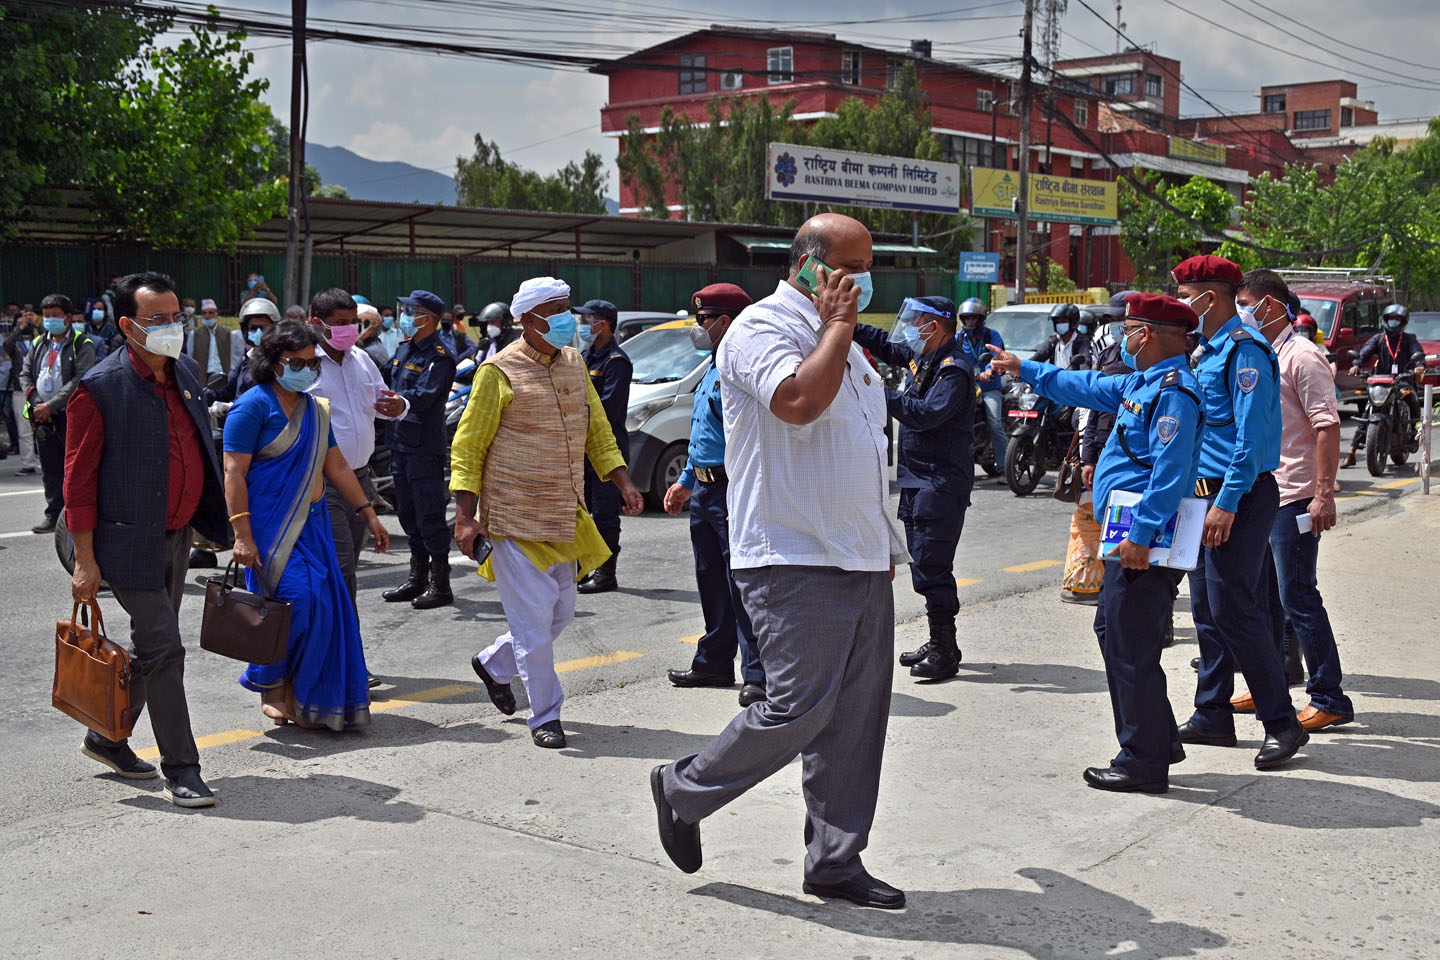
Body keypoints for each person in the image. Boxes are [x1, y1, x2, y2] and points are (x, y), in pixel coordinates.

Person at [651, 214, 910, 910]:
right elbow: (798, 404)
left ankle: (835, 860)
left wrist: (879, 542)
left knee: (856, 721)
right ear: (806, 264)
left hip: (856, 555)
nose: (860, 282)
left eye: (867, 268)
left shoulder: (847, 344)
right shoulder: (761, 329)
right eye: (848, 268)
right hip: (790, 552)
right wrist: (836, 329)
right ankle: (683, 789)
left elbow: (858, 448)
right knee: (795, 709)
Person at [990, 293, 1203, 793]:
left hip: (1141, 540)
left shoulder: (1174, 392)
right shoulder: (1143, 381)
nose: (1122, 338)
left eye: (1128, 330)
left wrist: (1141, 536)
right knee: (1116, 633)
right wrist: (1028, 369)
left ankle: (1142, 761)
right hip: (1126, 536)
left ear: (1145, 335)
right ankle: (1159, 736)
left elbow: (1170, 474)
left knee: (1130, 646)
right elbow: (1086, 385)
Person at [451, 277, 643, 748]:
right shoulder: (498, 371)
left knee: (561, 611)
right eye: (556, 311)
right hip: (514, 515)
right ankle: (546, 716)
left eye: (567, 309)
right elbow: (468, 448)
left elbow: (597, 428)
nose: (566, 320)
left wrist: (622, 480)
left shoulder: (575, 363)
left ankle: (496, 664)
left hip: (565, 510)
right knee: (534, 622)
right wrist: (466, 515)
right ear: (528, 320)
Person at [65, 271, 229, 807]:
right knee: (165, 647)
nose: (171, 326)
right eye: (157, 320)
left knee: (150, 649)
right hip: (122, 543)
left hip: (176, 535)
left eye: (175, 315)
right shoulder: (99, 388)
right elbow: (77, 484)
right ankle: (182, 768)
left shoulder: (184, 371)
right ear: (127, 325)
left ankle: (106, 737)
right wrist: (85, 562)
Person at [1172, 255, 1307, 770]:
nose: (1184, 305)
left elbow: (1249, 441)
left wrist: (1225, 503)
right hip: (1202, 498)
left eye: (1187, 295)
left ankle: (1282, 720)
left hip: (1240, 497)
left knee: (1236, 609)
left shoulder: (1245, 353)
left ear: (1210, 297)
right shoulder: (1206, 351)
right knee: (1207, 610)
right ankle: (1212, 714)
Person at [223, 320, 386, 729]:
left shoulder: (316, 409)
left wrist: (367, 511)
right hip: (268, 530)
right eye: (297, 362)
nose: (307, 371)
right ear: (273, 363)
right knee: (295, 604)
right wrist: (241, 535)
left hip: (313, 528)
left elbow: (336, 465)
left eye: (312, 364)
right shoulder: (251, 407)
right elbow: (233, 473)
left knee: (329, 607)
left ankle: (310, 696)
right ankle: (271, 685)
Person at [1235, 271, 1354, 731]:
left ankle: (1329, 696)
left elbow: (1326, 426)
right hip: (1265, 492)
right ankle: (1271, 687)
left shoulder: (1302, 357)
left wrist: (1324, 495)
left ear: (1268, 306)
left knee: (1298, 595)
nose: (1240, 311)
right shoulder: (1262, 355)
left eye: (1245, 303)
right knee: (1265, 599)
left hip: (1297, 494)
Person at [853, 295, 974, 680]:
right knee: (924, 564)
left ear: (933, 327)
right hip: (918, 480)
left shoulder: (952, 372)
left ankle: (944, 650)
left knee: (932, 568)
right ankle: (942, 642)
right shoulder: (924, 359)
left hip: (940, 484)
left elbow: (924, 414)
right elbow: (888, 346)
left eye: (915, 323)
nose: (909, 330)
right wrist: (847, 325)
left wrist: (874, 389)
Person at [662, 284, 767, 707]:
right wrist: (686, 479)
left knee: (741, 582)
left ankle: (757, 674)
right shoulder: (712, 364)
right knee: (711, 581)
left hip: (731, 487)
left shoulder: (740, 368)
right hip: (704, 490)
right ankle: (714, 662)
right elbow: (704, 433)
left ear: (724, 322)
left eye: (703, 320)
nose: (697, 327)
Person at [306, 289, 407, 688]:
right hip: (322, 484)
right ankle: (348, 663)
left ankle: (340, 659)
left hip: (360, 478)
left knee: (343, 573)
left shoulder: (363, 360)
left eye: (354, 322)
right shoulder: (304, 365)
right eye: (341, 322)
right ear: (316, 321)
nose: (350, 330)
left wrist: (398, 408)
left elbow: (387, 401)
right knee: (341, 571)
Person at [382, 290, 457, 609]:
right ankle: (418, 577)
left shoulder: (439, 355)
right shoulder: (403, 349)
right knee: (407, 513)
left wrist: (401, 401)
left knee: (430, 515)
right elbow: (385, 379)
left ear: (429, 317)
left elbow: (424, 396)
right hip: (399, 444)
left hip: (424, 447)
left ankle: (440, 584)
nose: (406, 318)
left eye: (412, 312)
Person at [21, 294, 96, 533]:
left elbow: (80, 379)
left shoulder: (81, 343)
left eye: (56, 315)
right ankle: (53, 514)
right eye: (47, 315)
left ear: (68, 317)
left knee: (74, 467)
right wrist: (36, 403)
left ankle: (76, 514)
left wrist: (51, 405)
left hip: (68, 414)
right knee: (50, 467)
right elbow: (25, 374)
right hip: (42, 416)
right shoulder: (38, 343)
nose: (51, 320)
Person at [573, 299, 633, 594]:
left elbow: (607, 409)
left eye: (589, 320)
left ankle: (606, 573)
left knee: (605, 513)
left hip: (606, 449)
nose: (584, 326)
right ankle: (586, 566)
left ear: (605, 324)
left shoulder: (616, 361)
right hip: (582, 448)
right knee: (583, 511)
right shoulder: (586, 356)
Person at [1342, 304, 1425, 468]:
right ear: (1385, 320)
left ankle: (1414, 436)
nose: (1393, 322)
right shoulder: (1378, 339)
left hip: (1402, 381)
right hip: (1381, 382)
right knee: (1367, 411)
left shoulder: (1409, 339)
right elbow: (1364, 352)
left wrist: (1419, 366)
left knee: (1414, 401)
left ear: (1403, 322)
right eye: (1391, 319)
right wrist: (1357, 364)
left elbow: (1418, 353)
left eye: (1397, 319)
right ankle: (1351, 453)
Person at [955, 296, 1007, 477]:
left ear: (981, 319)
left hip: (989, 386)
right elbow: (952, 357)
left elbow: (996, 357)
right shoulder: (958, 338)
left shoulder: (992, 336)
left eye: (973, 318)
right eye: (967, 318)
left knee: (995, 423)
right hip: (968, 386)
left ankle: (1004, 468)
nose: (970, 321)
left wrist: (988, 371)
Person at [5, 309, 41, 473]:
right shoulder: (15, 344)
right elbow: (7, 345)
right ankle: (29, 462)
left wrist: (37, 324)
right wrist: (20, 326)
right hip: (21, 390)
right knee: (24, 429)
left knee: (44, 427)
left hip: (40, 390)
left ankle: (46, 460)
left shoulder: (39, 340)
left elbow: (52, 340)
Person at [185, 298, 243, 392]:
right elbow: (190, 357)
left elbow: (233, 356)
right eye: (204, 313)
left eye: (211, 313)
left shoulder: (227, 333)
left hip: (222, 375)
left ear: (216, 314)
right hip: (203, 376)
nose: (207, 316)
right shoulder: (194, 335)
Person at [1031, 303, 1094, 371]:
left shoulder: (1082, 341)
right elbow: (1037, 358)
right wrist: (1021, 368)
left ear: (1073, 321)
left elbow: (1084, 364)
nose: (1060, 324)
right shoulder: (1053, 341)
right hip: (1055, 380)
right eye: (1057, 322)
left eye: (1063, 321)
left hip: (1073, 380)